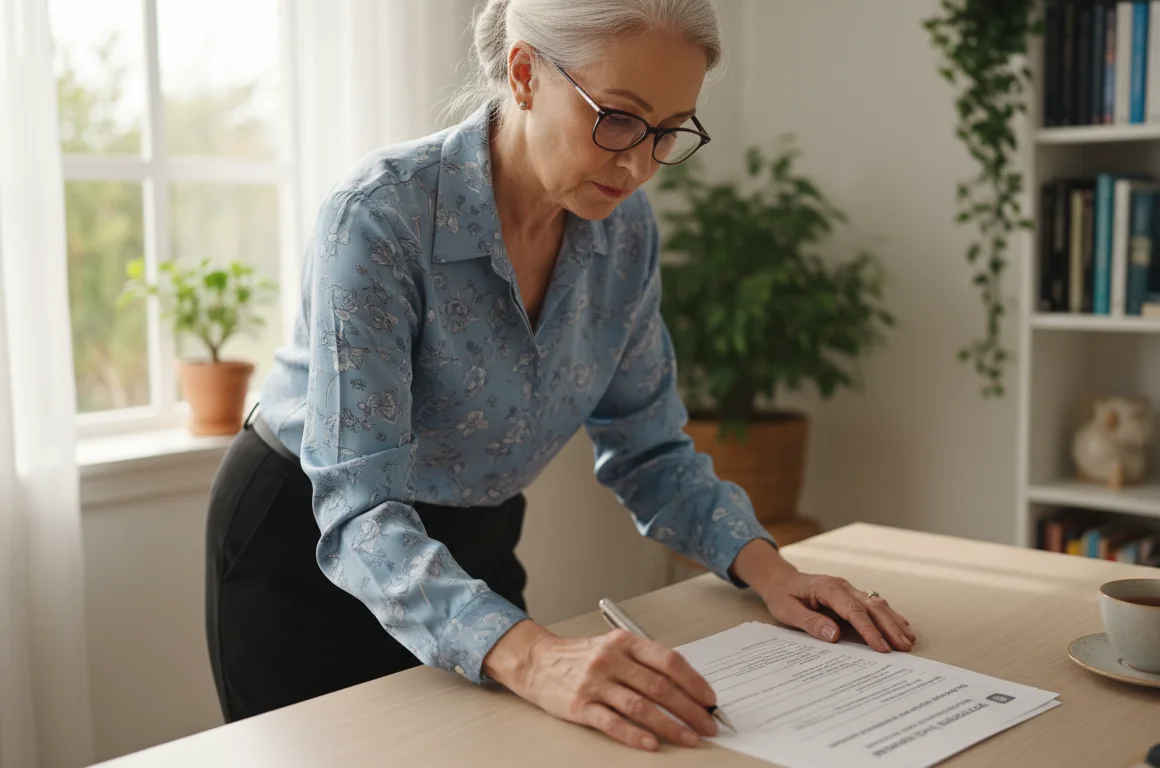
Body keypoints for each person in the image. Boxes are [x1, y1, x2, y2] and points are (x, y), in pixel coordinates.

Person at [204, 0, 915, 752]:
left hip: (473, 540)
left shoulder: (624, 233)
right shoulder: (381, 217)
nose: (639, 165)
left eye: (669, 131)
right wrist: (535, 655)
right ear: (524, 74)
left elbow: (651, 450)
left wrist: (771, 571)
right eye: (618, 117)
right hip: (311, 545)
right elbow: (357, 510)